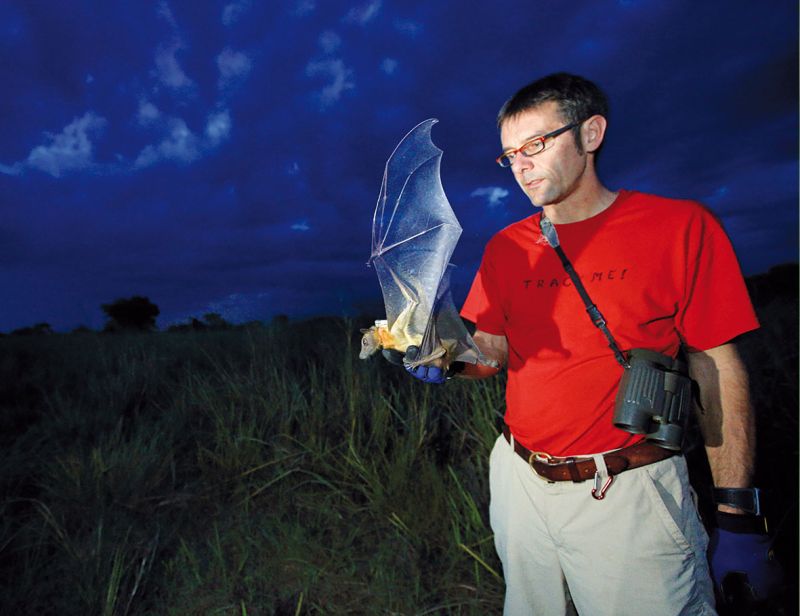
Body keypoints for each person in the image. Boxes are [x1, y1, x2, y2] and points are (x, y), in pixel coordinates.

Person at [401, 73, 781, 615]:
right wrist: (446, 357)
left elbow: (718, 366)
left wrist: (737, 514)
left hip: (628, 487)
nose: (522, 166)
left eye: (536, 145)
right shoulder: (508, 247)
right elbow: (491, 352)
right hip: (519, 480)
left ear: (591, 133)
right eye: (510, 155)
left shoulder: (679, 227)